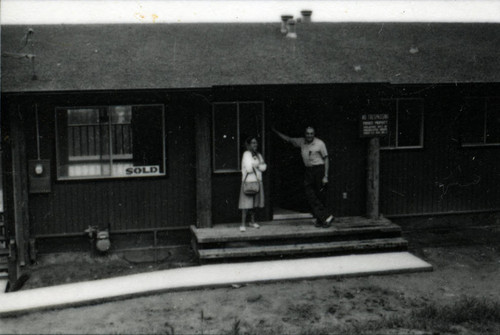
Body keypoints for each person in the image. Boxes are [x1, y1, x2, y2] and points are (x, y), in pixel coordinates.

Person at [272, 126, 334, 228]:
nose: (309, 135)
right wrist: (275, 131)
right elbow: (288, 139)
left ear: (314, 134)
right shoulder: (301, 142)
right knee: (309, 193)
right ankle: (326, 217)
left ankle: (321, 220)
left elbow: (326, 159)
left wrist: (326, 176)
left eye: (311, 133)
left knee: (319, 195)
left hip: (319, 170)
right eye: (307, 133)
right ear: (305, 134)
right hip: (309, 170)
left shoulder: (320, 143)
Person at [238, 136, 267, 232]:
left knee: (255, 203)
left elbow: (264, 167)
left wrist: (256, 165)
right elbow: (249, 168)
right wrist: (259, 165)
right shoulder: (246, 154)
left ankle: (252, 222)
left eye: (256, 143)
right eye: (253, 143)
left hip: (257, 181)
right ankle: (242, 224)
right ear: (249, 144)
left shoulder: (258, 154)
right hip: (248, 181)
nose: (255, 145)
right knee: (245, 204)